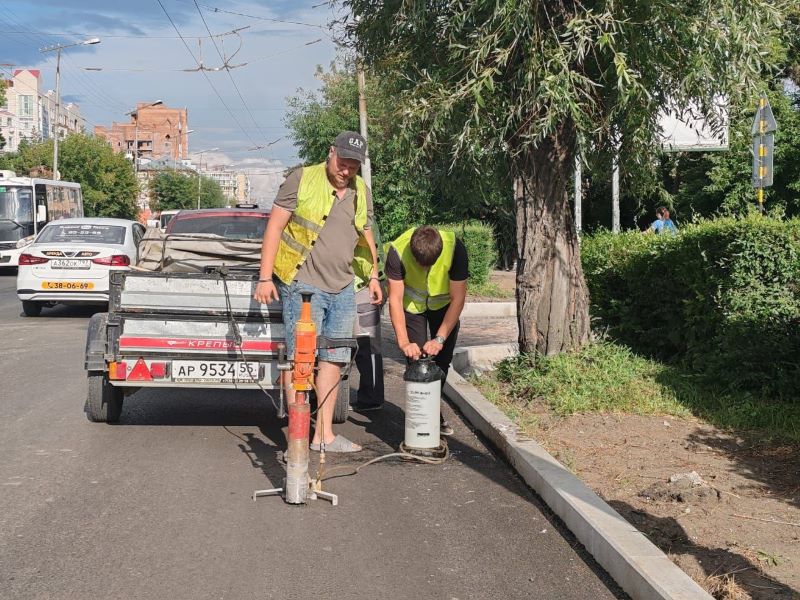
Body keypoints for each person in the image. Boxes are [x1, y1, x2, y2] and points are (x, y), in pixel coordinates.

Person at [253, 131, 382, 453]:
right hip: (303, 285)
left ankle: (323, 435)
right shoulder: (301, 179)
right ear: (331, 153)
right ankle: (295, 436)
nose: (346, 171)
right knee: (301, 360)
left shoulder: (360, 191)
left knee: (334, 359)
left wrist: (375, 275)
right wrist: (265, 278)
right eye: (343, 163)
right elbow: (275, 227)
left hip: (344, 287)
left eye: (353, 166)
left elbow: (365, 231)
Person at [386, 226, 468, 436]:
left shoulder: (455, 249)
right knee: (417, 361)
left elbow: (458, 299)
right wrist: (404, 342)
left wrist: (439, 338)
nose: (424, 269)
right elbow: (394, 299)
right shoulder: (397, 251)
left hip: (444, 306)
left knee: (441, 362)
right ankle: (421, 416)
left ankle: (432, 411)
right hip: (413, 307)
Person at [351, 228, 387, 411]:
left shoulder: (358, 218)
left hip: (362, 286)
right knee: (368, 345)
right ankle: (371, 396)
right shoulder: (364, 217)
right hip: (365, 286)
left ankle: (371, 397)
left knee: (367, 344)